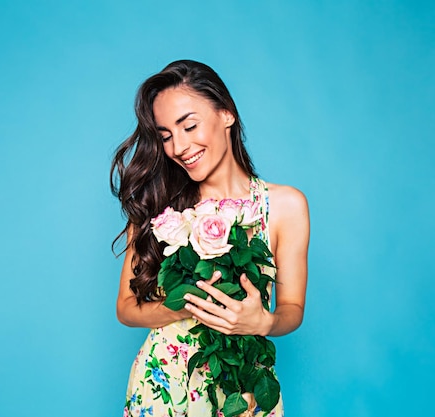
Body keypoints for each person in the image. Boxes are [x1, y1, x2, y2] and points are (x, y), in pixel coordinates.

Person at [110, 60, 309, 417]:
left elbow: (291, 310)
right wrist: (184, 306)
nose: (179, 147)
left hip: (243, 388)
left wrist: (263, 322)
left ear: (226, 114)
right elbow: (125, 307)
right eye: (166, 135)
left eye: (189, 126)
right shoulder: (160, 207)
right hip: (165, 385)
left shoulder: (284, 206)